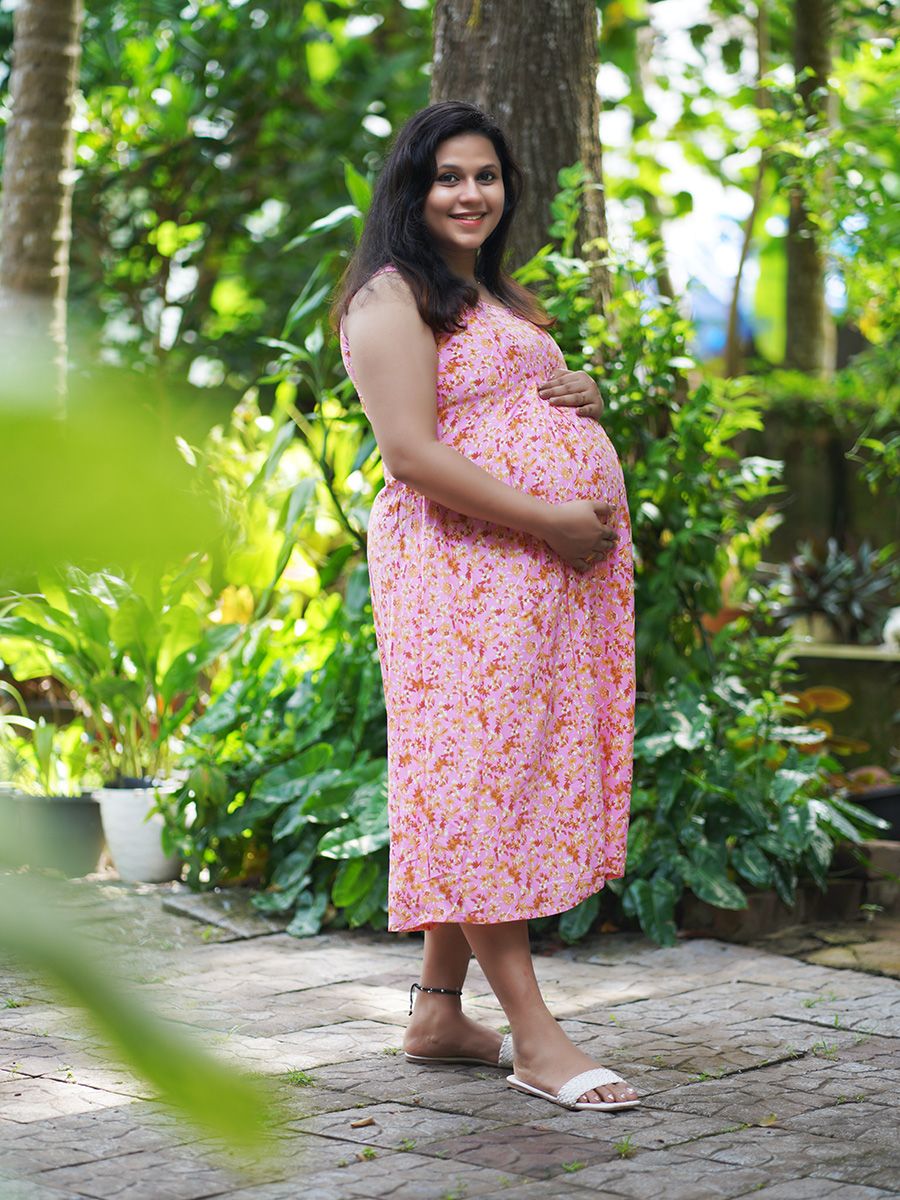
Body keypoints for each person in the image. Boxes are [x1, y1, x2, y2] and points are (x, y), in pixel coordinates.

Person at [332, 100, 638, 1113]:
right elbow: (411, 455)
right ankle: (536, 1038)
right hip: (461, 573)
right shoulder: (389, 294)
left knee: (489, 771)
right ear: (412, 187)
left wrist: (576, 390)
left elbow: (494, 400)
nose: (471, 193)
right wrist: (552, 520)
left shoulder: (486, 293)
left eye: (487, 176)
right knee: (479, 780)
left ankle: (437, 1013)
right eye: (449, 176)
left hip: (525, 574)